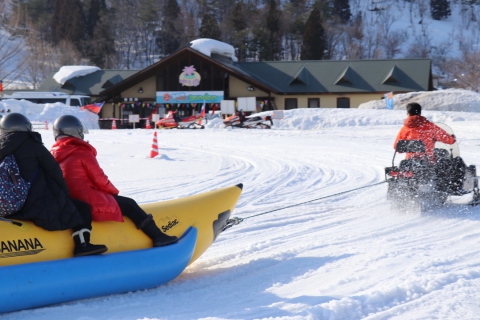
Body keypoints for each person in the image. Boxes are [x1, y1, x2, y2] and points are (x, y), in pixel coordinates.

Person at [50, 115, 178, 247]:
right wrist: (113, 193)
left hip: (73, 203)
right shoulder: (82, 152)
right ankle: (158, 236)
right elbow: (100, 179)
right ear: (76, 131)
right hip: (89, 201)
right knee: (130, 204)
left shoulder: (53, 155)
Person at [0, 113, 107, 257]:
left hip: (6, 207)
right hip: (33, 205)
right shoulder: (32, 144)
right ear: (26, 127)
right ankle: (83, 245)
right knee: (81, 207)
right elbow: (54, 172)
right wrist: (65, 196)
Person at [394, 102, 466, 194]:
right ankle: (455, 187)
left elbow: (396, 146)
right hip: (428, 160)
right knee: (457, 162)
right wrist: (452, 138)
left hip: (410, 161)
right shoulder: (429, 126)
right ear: (419, 113)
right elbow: (449, 140)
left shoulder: (404, 129)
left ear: (408, 113)